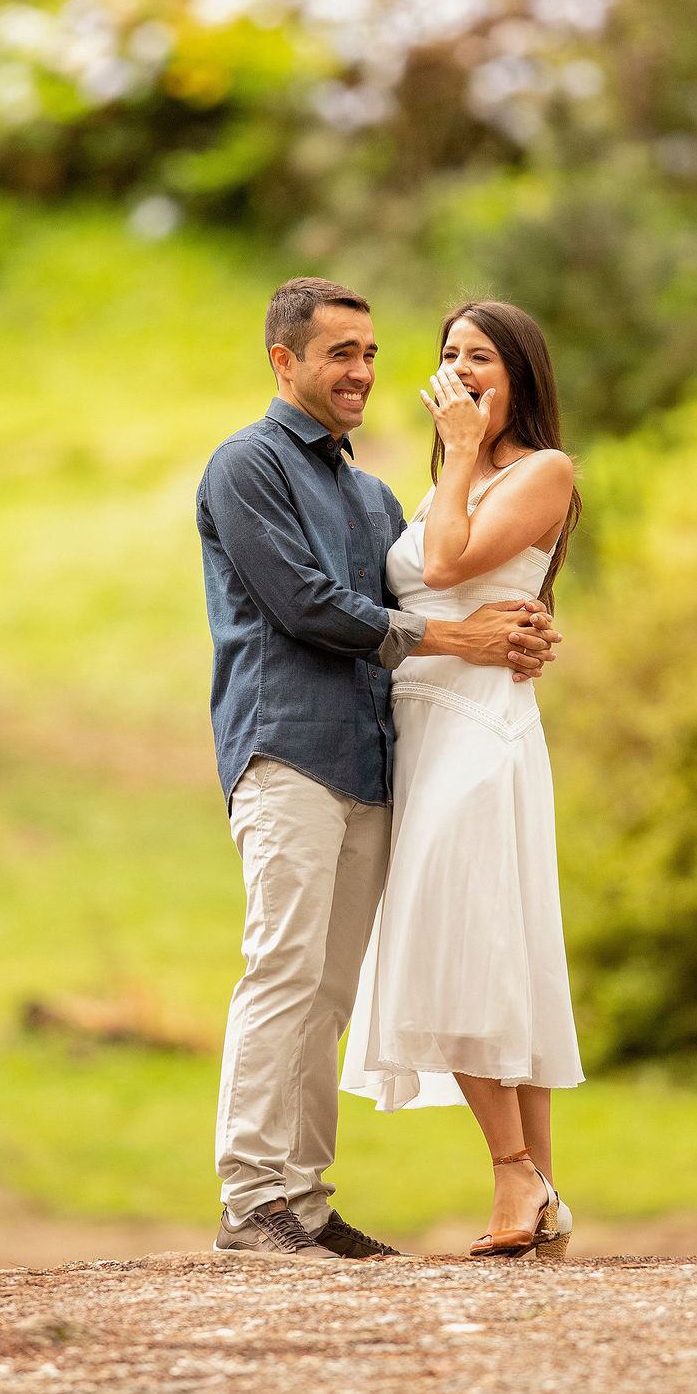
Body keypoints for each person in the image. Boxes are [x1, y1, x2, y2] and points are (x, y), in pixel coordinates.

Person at [195, 277, 562, 1262]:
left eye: (369, 352)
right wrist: (465, 638)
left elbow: (420, 603)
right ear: (285, 361)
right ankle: (253, 1201)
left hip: (373, 761)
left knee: (328, 992)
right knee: (282, 969)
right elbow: (311, 608)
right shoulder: (247, 467)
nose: (361, 370)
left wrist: (515, 630)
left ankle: (301, 1202)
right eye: (337, 353)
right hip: (288, 749)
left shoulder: (370, 494)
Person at [341, 300, 585, 1261]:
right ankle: (540, 1196)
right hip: (421, 725)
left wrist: (464, 448)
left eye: (479, 355)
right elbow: (411, 599)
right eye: (447, 354)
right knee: (492, 944)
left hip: (482, 733)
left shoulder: (543, 472)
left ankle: (513, 1174)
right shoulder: (449, 476)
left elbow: (443, 562)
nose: (460, 368)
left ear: (519, 371)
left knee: (460, 937)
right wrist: (455, 460)